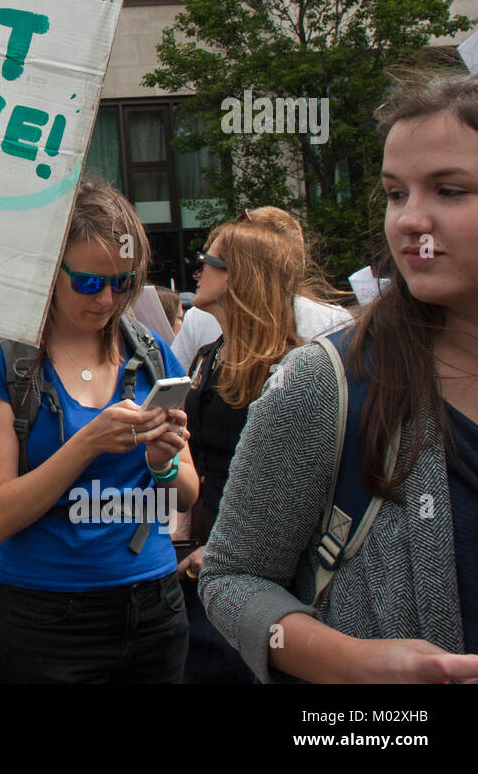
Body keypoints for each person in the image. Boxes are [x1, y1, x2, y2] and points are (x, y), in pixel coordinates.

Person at [200, 71, 478, 681]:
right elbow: (230, 578)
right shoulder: (327, 381)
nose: (410, 220)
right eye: (395, 193)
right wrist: (351, 662)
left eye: (449, 191)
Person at [0, 180, 198, 683]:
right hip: (45, 618)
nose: (108, 299)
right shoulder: (4, 361)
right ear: (52, 271)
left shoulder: (151, 350)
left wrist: (164, 462)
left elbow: (188, 493)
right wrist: (87, 445)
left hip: (153, 603)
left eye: (125, 282)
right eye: (90, 283)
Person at [177, 209, 315, 682]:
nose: (198, 272)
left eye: (208, 261)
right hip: (194, 564)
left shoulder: (291, 369)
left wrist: (221, 550)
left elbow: (291, 490)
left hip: (248, 577)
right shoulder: (206, 356)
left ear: (241, 278)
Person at [171, 210, 352, 370]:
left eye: (206, 262)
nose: (197, 274)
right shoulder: (336, 320)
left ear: (242, 269)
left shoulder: (335, 323)